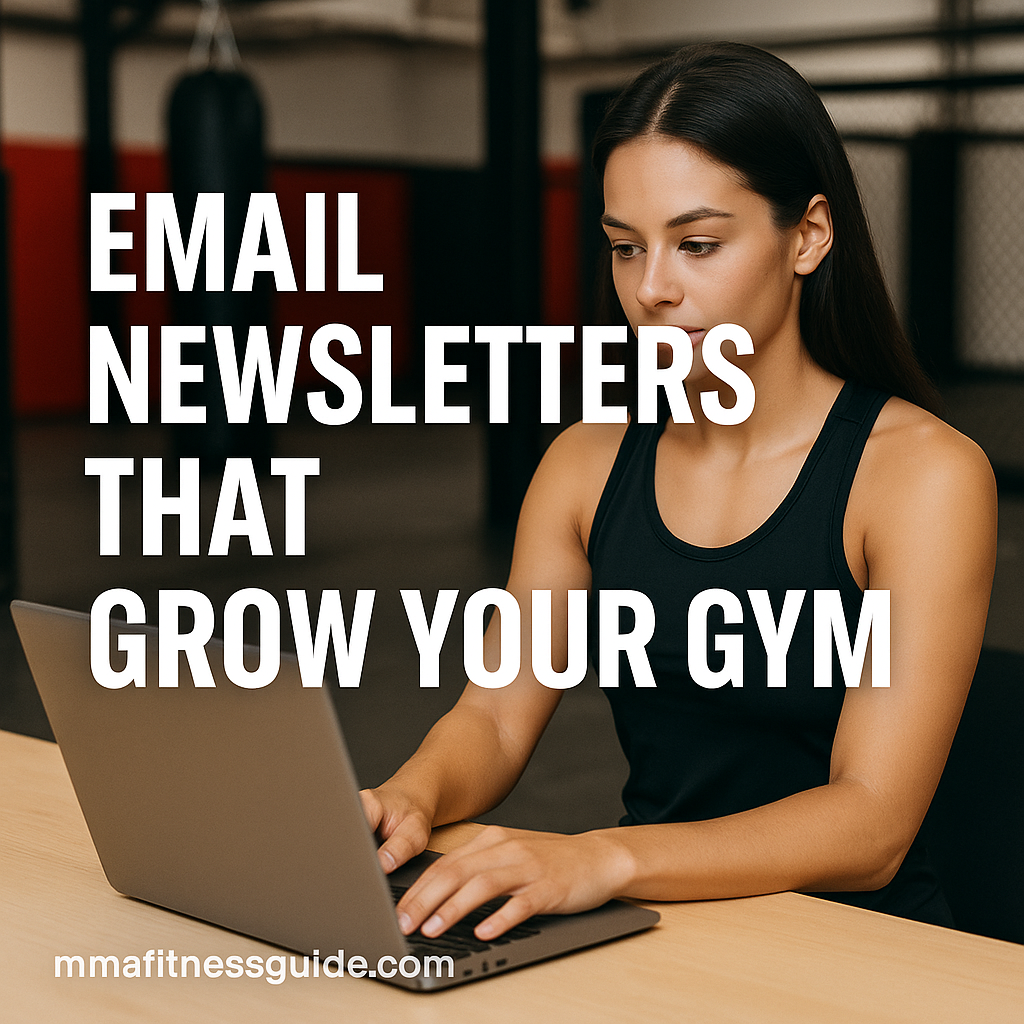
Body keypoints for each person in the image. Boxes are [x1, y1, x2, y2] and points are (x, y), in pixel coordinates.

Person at [360, 42, 997, 940]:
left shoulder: (922, 476)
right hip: (659, 928)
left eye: (698, 244)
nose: (652, 289)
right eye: (626, 248)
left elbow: (871, 825)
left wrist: (607, 856)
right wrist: (407, 799)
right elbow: (495, 715)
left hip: (857, 950)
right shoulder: (586, 465)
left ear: (808, 236)